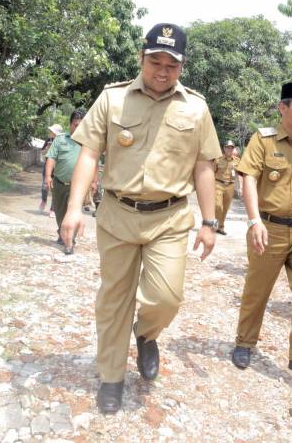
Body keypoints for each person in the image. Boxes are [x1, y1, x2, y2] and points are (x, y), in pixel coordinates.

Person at [59, 23, 221, 414]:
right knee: (114, 298)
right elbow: (89, 154)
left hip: (169, 217)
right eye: (155, 62)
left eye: (171, 65)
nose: (162, 71)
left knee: (167, 297)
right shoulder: (112, 99)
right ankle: (111, 376)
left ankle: (146, 333)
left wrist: (209, 222)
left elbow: (204, 166)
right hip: (118, 213)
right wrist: (74, 208)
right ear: (141, 58)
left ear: (182, 66)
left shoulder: (196, 108)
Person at [231, 81, 292, 384]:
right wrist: (254, 221)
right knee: (257, 290)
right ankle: (244, 342)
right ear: (283, 108)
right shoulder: (263, 141)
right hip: (268, 228)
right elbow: (248, 178)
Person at [44, 110, 85, 254]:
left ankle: (69, 242)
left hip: (77, 187)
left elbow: (93, 162)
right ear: (70, 124)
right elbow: (51, 158)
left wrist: (94, 182)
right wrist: (48, 176)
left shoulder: (88, 142)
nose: (78, 128)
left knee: (73, 213)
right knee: (60, 213)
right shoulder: (60, 140)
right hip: (59, 184)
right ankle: (62, 233)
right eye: (75, 125)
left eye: (81, 125)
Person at [213, 139, 242, 235]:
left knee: (225, 208)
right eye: (227, 147)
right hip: (218, 184)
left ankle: (220, 227)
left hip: (230, 185)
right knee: (218, 206)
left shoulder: (237, 161)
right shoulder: (218, 159)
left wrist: (240, 187)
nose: (229, 149)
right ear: (224, 148)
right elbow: (212, 172)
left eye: (231, 148)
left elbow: (239, 175)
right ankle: (215, 225)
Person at [39, 124, 62, 216]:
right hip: (47, 166)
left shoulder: (61, 141)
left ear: (56, 133)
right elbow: (42, 152)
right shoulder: (48, 140)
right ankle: (43, 201)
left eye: (51, 131)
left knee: (54, 189)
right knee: (44, 186)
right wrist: (47, 149)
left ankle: (53, 209)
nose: (49, 132)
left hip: (57, 168)